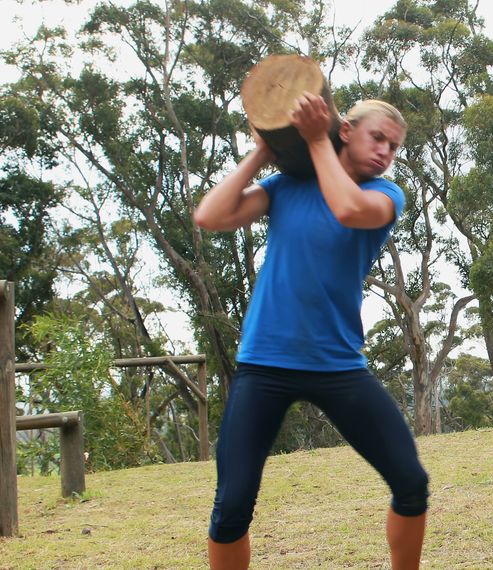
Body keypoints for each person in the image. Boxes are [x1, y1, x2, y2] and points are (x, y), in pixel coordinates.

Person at [193, 95, 428, 570]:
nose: (385, 151)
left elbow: (347, 209)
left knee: (411, 483)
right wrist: (261, 151)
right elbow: (209, 217)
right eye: (376, 137)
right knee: (232, 506)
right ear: (347, 130)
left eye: (394, 146)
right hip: (264, 364)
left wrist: (316, 139)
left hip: (336, 365)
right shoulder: (285, 187)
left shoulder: (386, 195)